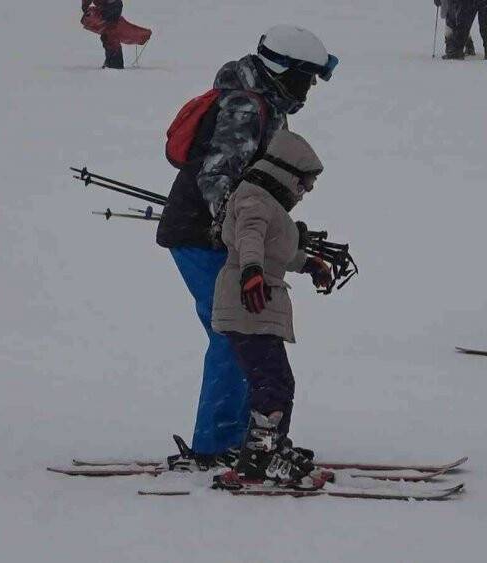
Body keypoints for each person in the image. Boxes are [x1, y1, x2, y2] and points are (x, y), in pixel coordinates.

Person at [155, 27, 338, 470]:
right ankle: (216, 444)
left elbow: (257, 186)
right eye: (306, 78)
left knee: (244, 332)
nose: (310, 90)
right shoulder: (243, 106)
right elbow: (219, 178)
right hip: (203, 236)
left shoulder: (267, 105)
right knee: (232, 332)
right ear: (284, 71)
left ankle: (242, 435)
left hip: (224, 235)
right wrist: (245, 235)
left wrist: (281, 232)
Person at [212, 130, 333, 486]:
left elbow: (275, 249)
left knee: (275, 381)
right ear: (287, 172)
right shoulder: (254, 199)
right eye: (304, 185)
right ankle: (261, 458)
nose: (303, 193)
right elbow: (250, 235)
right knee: (272, 383)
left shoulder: (266, 201)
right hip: (249, 302)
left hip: (255, 304)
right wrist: (251, 271)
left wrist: (310, 264)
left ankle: (270, 448)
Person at [81, 0, 125, 69]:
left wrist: (85, 6)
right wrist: (85, 7)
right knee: (106, 35)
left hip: (113, 6)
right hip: (107, 7)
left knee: (110, 35)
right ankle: (111, 61)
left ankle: (115, 63)